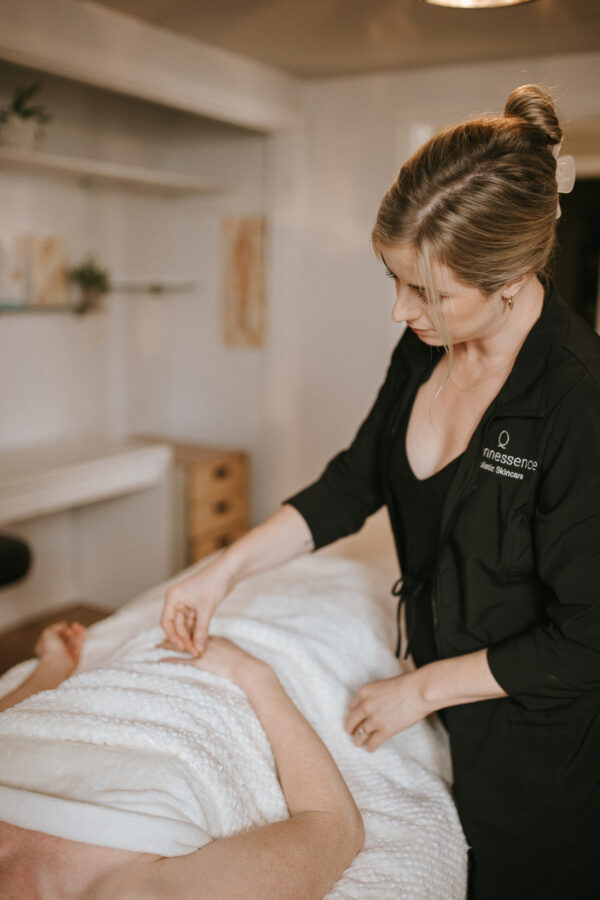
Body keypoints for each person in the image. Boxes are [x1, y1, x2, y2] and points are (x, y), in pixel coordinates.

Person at [161, 84, 600, 900]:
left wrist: (420, 689)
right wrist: (219, 572)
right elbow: (355, 479)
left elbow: (585, 641)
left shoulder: (578, 406)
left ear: (513, 278)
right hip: (428, 694)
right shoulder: (424, 347)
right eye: (394, 280)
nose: (401, 311)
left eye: (427, 294)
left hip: (532, 741)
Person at [0, 622, 364, 898]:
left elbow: (11, 726)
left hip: (105, 675)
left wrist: (50, 669)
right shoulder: (131, 891)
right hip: (233, 681)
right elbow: (333, 827)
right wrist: (255, 675)